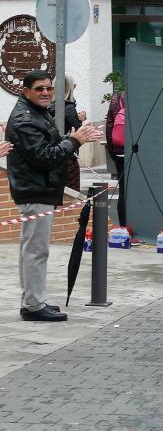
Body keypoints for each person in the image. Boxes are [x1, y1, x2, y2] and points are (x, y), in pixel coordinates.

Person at [6, 70, 102, 322]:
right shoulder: (25, 119)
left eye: (48, 88)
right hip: (35, 190)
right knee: (36, 251)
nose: (46, 93)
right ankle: (33, 305)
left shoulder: (37, 113)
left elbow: (50, 145)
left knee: (33, 250)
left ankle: (32, 301)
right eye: (39, 89)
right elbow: (45, 157)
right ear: (26, 91)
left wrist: (72, 138)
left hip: (40, 189)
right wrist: (75, 141)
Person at [48, 74, 85, 192]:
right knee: (71, 193)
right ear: (70, 87)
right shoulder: (68, 108)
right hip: (67, 154)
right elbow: (78, 132)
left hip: (49, 153)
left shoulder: (46, 107)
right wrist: (80, 120)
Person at [105, 86, 127, 226]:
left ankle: (124, 227)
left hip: (120, 151)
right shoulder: (143, 97)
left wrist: (113, 151)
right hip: (140, 152)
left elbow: (109, 127)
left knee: (124, 190)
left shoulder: (116, 99)